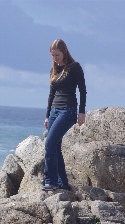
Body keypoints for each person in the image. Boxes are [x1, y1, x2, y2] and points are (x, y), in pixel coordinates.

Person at [42, 39, 87, 191]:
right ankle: (63, 183)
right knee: (55, 146)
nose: (55, 58)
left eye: (57, 54)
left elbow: (82, 90)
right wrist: (47, 115)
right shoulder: (53, 70)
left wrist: (81, 112)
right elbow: (51, 94)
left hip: (68, 111)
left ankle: (50, 181)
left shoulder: (74, 67)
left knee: (49, 144)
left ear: (64, 52)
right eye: (53, 55)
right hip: (54, 111)